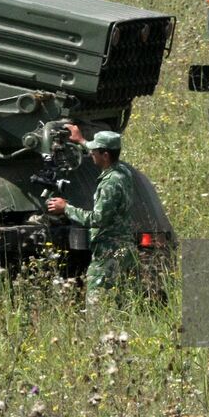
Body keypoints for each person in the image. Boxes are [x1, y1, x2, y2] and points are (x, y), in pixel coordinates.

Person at [45, 127, 137, 307]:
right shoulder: (123, 170)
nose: (91, 154)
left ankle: (98, 331)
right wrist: (81, 141)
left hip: (108, 250)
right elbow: (98, 150)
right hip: (124, 245)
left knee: (97, 301)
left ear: (105, 155)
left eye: (94, 152)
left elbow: (98, 219)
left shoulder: (110, 184)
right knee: (117, 299)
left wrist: (66, 208)